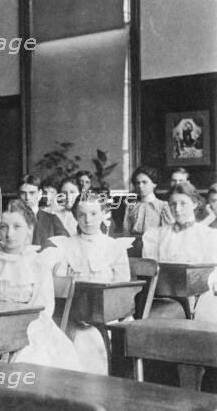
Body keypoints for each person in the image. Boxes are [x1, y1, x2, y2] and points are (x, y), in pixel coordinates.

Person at [0, 200, 82, 371]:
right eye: (3, 226)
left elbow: (44, 308)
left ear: (29, 229)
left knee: (29, 356)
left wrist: (18, 327)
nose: (9, 233)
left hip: (32, 327)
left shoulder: (37, 262)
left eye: (17, 226)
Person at [142, 182, 217, 391]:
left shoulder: (207, 235)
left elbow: (213, 272)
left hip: (202, 295)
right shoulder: (156, 235)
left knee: (202, 331)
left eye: (183, 203)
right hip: (167, 297)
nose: (177, 209)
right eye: (173, 204)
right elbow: (150, 268)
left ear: (194, 204)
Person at [49, 193, 134, 375]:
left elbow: (121, 288)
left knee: (92, 338)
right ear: (75, 217)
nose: (88, 220)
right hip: (71, 312)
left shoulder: (114, 246)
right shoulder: (66, 245)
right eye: (82, 215)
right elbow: (58, 284)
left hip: (106, 314)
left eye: (94, 214)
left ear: (104, 214)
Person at [122, 166, 174, 255]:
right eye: (137, 183)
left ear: (154, 184)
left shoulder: (162, 206)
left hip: (154, 247)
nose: (140, 186)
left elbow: (167, 233)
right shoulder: (131, 206)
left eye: (144, 182)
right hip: (133, 248)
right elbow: (126, 232)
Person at [18, 174, 69, 249]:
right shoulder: (9, 218)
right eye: (23, 193)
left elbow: (67, 244)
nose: (27, 197)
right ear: (18, 194)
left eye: (32, 193)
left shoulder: (52, 220)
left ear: (40, 193)